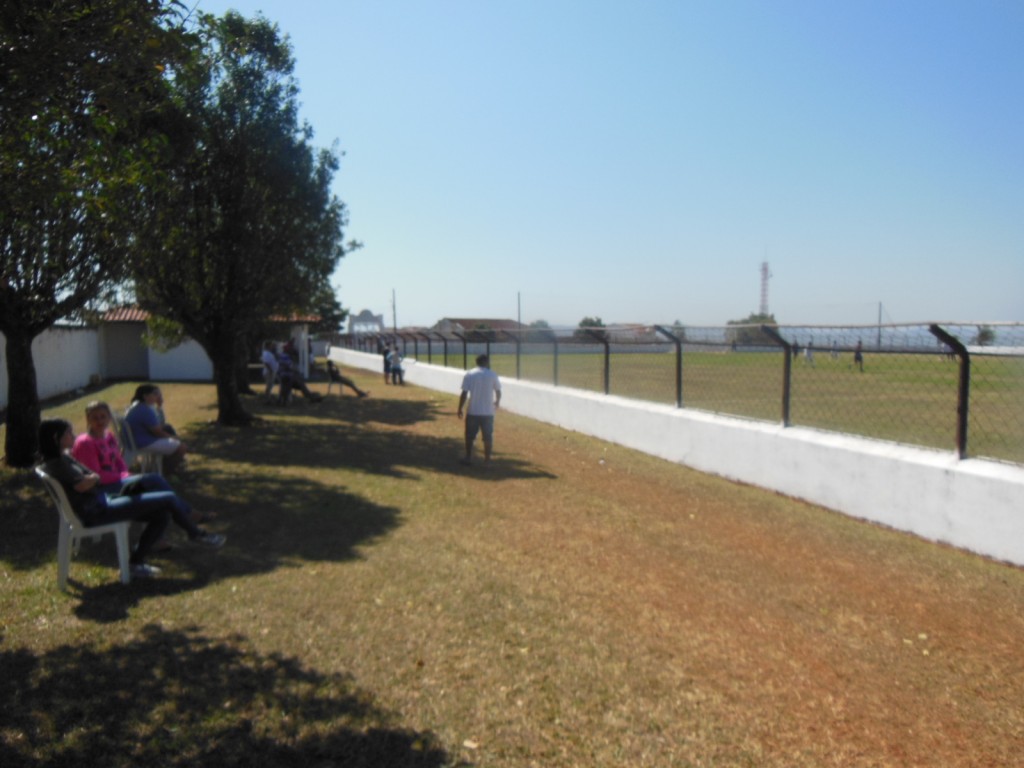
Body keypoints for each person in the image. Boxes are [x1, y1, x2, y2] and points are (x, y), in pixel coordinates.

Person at [38, 419, 224, 579]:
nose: (73, 435)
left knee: (157, 500)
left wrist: (92, 479)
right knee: (166, 500)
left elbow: (92, 477)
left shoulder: (64, 457)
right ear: (56, 438)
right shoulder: (58, 464)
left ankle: (135, 563)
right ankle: (195, 533)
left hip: (103, 500)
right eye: (68, 433)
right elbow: (84, 483)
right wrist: (93, 479)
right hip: (97, 511)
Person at [124, 384, 188, 475]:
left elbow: (158, 427)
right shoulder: (145, 410)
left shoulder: (139, 406)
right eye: (154, 394)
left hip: (136, 440)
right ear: (145, 396)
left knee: (171, 435)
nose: (157, 396)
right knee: (182, 447)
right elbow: (158, 432)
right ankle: (167, 472)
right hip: (143, 442)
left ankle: (163, 468)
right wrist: (174, 437)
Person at [457, 354, 502, 465]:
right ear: (486, 362)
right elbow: (498, 391)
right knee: (488, 437)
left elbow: (464, 393)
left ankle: (468, 457)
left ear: (477, 362)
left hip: (473, 411)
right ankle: (487, 460)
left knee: (470, 436)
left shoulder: (470, 374)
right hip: (488, 412)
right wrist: (497, 402)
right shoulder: (492, 374)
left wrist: (460, 408)